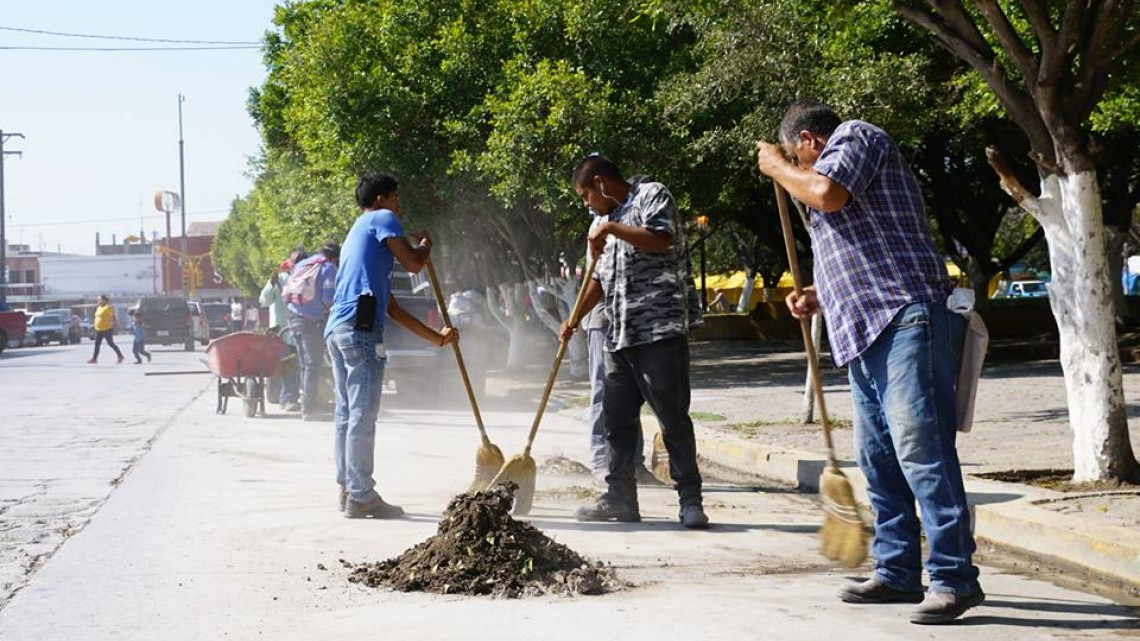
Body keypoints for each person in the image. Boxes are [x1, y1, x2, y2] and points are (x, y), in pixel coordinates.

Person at [755, 100, 982, 624]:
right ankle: (897, 570)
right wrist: (819, 294)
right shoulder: (827, 171)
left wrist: (776, 166)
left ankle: (954, 578)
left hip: (905, 317)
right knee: (879, 461)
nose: (799, 167)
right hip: (861, 330)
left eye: (799, 157)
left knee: (921, 451)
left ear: (811, 142)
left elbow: (826, 193)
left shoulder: (857, 136)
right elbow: (859, 245)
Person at [559, 155, 708, 529]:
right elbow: (599, 279)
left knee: (671, 418)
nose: (586, 203)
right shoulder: (601, 223)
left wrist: (611, 227)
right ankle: (620, 498)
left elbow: (661, 239)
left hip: (658, 330)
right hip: (618, 333)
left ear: (601, 182)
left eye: (585, 194)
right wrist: (574, 317)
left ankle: (690, 501)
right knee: (617, 420)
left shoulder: (652, 196)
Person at [325, 171, 458, 519]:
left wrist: (438, 339)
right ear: (381, 199)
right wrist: (427, 244)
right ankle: (361, 495)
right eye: (396, 198)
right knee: (362, 415)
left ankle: (348, 488)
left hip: (338, 330)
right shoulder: (381, 219)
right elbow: (414, 264)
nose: (399, 208)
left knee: (346, 414)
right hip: (359, 329)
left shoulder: (360, 235)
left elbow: (394, 310)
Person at [581, 197, 653, 485]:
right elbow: (597, 280)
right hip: (602, 319)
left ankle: (634, 463)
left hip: (628, 319)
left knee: (630, 395)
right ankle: (602, 461)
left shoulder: (625, 222)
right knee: (604, 391)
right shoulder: (603, 224)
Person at [287, 242, 340, 421]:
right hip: (311, 321)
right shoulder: (328, 267)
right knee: (312, 366)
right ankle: (310, 409)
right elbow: (328, 299)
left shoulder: (303, 264)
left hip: (293, 318)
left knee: (304, 365)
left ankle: (307, 404)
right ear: (334, 257)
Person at [261, 259, 300, 411]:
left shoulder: (303, 279)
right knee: (289, 365)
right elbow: (264, 300)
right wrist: (271, 285)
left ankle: (290, 397)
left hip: (295, 330)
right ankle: (288, 399)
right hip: (282, 333)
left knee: (295, 366)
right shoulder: (279, 281)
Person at [87, 295, 124, 364]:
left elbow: (113, 317)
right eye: (98, 300)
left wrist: (116, 325)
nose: (98, 301)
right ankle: (94, 359)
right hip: (98, 329)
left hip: (107, 329)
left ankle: (120, 356)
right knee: (97, 344)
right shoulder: (99, 308)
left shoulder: (108, 307)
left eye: (100, 299)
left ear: (104, 300)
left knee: (110, 343)